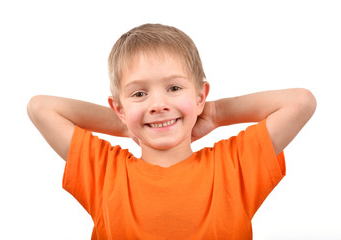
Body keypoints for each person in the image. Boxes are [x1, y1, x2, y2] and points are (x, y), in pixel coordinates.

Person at [27, 23, 316, 239]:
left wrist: (215, 113)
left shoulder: (234, 165)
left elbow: (300, 102)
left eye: (174, 88)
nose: (158, 104)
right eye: (139, 94)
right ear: (119, 108)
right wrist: (128, 123)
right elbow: (40, 108)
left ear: (200, 96)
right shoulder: (105, 172)